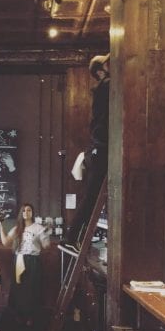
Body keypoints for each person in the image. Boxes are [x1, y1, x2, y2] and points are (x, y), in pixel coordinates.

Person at [64, 53, 110, 252]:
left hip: (96, 149)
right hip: (100, 149)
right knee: (90, 199)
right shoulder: (107, 86)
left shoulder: (101, 88)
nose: (111, 66)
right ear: (100, 72)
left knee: (90, 199)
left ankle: (73, 237)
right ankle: (71, 238)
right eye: (107, 64)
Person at [0, 203, 50, 327]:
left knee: (33, 289)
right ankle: (19, 317)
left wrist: (46, 233)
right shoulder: (17, 229)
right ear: (21, 213)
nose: (26, 212)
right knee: (19, 289)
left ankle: (31, 318)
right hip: (19, 261)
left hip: (33, 261)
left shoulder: (38, 228)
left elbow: (46, 246)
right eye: (24, 211)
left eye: (29, 210)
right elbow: (6, 242)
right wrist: (1, 226)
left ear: (32, 212)